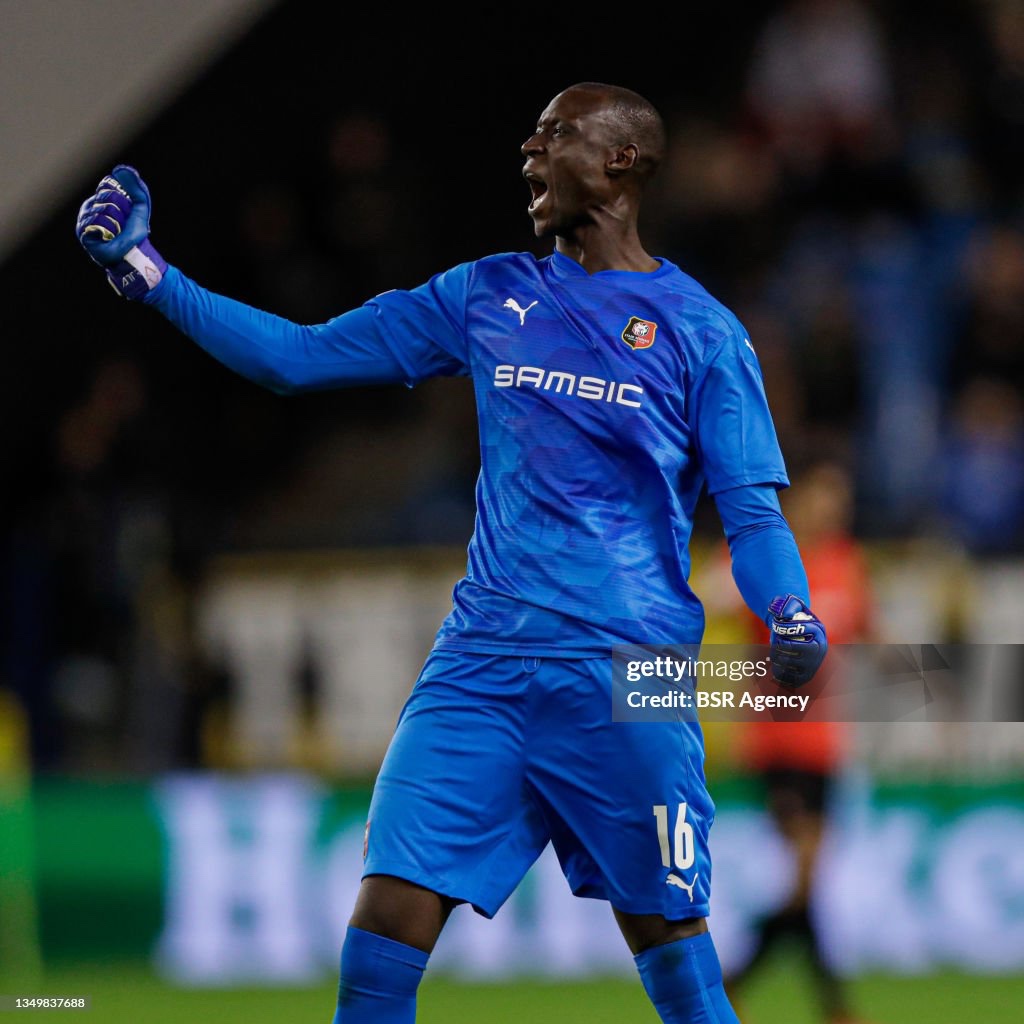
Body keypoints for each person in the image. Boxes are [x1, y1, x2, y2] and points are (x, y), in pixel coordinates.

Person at [76, 82, 828, 1024]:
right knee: (380, 933)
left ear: (620, 161)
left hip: (626, 678)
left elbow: (752, 516)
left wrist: (789, 610)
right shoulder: (486, 294)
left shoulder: (703, 332)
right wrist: (147, 270)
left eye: (555, 134)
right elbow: (296, 357)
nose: (528, 150)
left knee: (675, 956)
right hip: (479, 670)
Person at [710, 460, 873, 1024]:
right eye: (824, 496)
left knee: (807, 887)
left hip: (825, 745)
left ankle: (735, 986)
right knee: (804, 874)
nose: (832, 509)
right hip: (777, 740)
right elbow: (711, 603)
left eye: (839, 499)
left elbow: (868, 635)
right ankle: (830, 1006)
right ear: (796, 499)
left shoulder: (847, 562)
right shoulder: (766, 559)